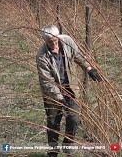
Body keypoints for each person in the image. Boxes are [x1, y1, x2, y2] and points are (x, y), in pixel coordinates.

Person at [36, 25, 102, 156]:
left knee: (74, 119)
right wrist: (60, 98)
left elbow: (77, 55)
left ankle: (68, 145)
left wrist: (88, 68)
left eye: (55, 41)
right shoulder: (41, 55)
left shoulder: (67, 41)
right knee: (54, 123)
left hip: (71, 88)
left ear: (58, 37)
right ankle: (53, 151)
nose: (54, 44)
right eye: (50, 42)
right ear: (45, 41)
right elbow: (46, 82)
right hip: (52, 94)